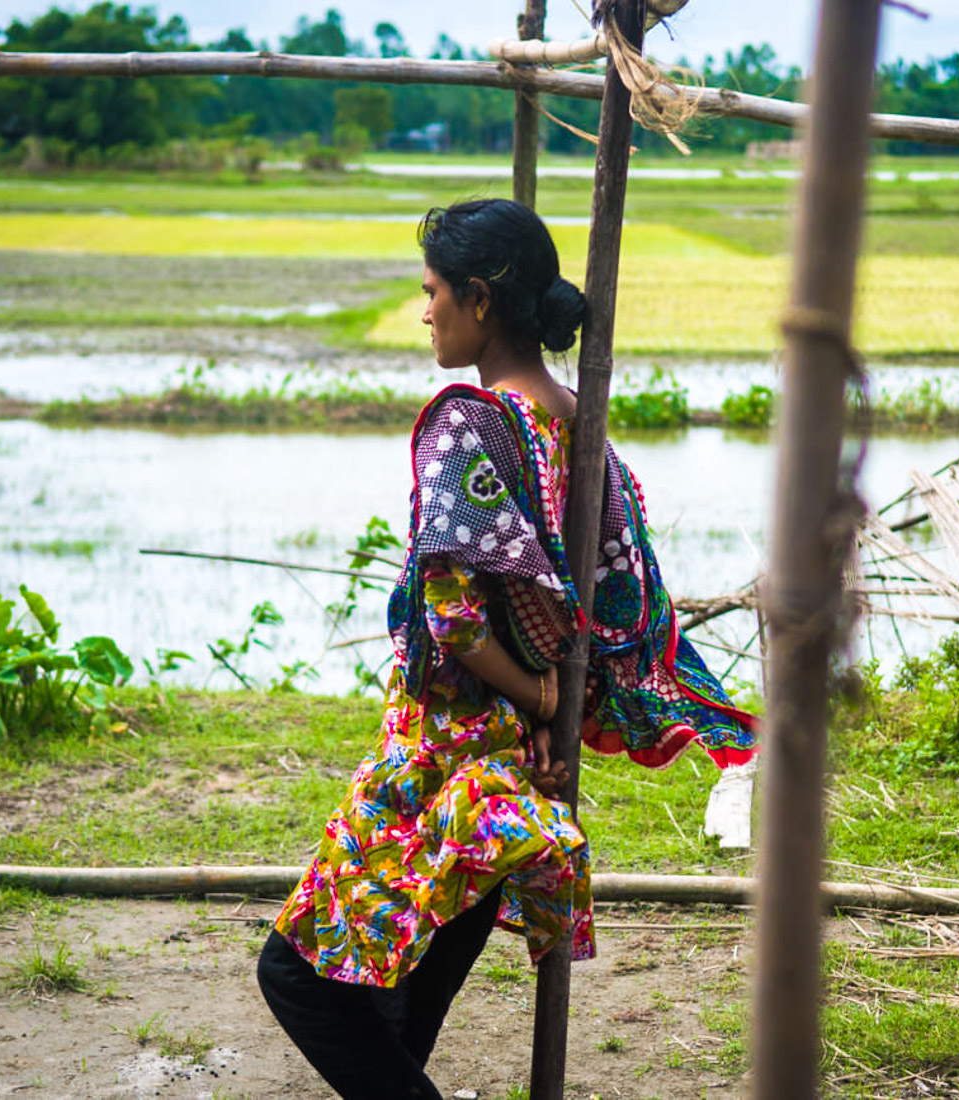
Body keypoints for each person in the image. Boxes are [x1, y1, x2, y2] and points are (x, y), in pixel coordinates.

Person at [256, 198, 756, 1099]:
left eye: (433, 291)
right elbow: (616, 595)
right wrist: (552, 706)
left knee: (298, 980)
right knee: (404, 1004)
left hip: (445, 762)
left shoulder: (470, 424)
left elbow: (450, 616)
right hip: (521, 778)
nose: (424, 311)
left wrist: (536, 697)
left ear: (480, 300)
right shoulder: (581, 423)